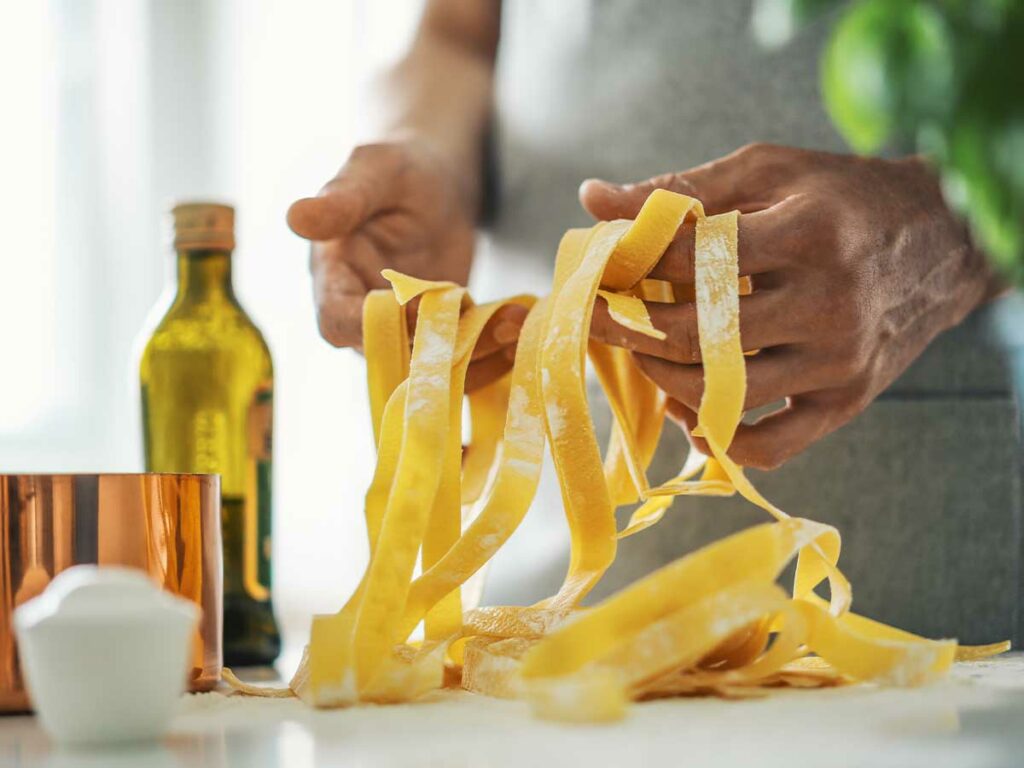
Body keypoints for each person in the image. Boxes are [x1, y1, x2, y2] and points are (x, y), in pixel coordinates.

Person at [287, 0, 1021, 644]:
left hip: (941, 594)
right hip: (551, 610)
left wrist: (955, 230)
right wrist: (429, 152)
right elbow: (455, 32)